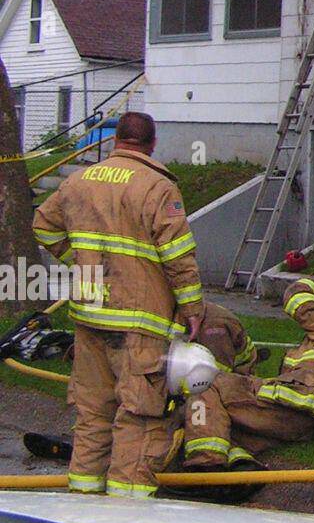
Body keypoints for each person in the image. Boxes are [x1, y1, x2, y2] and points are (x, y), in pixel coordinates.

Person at [32, 111, 202, 498]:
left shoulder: (78, 181)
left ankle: (83, 508)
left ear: (115, 139)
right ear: (152, 143)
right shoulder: (157, 188)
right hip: (139, 322)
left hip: (90, 315)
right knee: (138, 415)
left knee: (92, 416)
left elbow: (43, 225)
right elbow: (178, 257)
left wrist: (81, 261)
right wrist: (192, 309)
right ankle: (126, 518)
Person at [182, 275, 314, 470]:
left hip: (300, 405)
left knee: (204, 382)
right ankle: (240, 465)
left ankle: (205, 465)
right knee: (221, 421)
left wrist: (312, 282)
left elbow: (295, 298)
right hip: (301, 414)